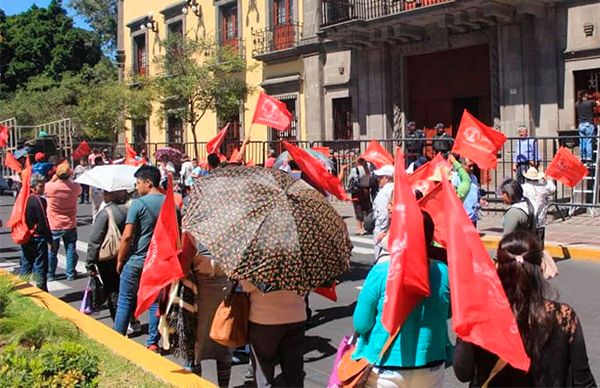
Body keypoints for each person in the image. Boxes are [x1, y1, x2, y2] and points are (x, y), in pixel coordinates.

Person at [453, 232, 596, 387]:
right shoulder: (563, 316)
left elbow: (463, 372)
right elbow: (583, 379)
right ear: (541, 266)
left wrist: (466, 323)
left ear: (498, 267)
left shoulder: (479, 314)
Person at [353, 211, 450, 387]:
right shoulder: (443, 272)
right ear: (430, 238)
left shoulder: (381, 272)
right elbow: (448, 311)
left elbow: (361, 323)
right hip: (431, 365)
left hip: (385, 367)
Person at [114, 165, 165, 352]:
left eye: (138, 183)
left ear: (148, 183)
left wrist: (120, 260)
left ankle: (117, 339)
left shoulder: (138, 204)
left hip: (137, 260)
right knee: (155, 303)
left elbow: (127, 236)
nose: (136, 187)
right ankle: (152, 342)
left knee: (125, 299)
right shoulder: (171, 205)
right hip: (158, 262)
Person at [240, 279, 306, 388]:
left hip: (264, 319)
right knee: (294, 368)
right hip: (296, 316)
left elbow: (247, 286)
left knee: (263, 367)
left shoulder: (259, 263)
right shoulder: (300, 262)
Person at [187, 241, 233, 387]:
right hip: (224, 295)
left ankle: (196, 384)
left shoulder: (193, 236)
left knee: (195, 349)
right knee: (224, 345)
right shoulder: (230, 237)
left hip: (200, 299)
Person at [85, 190, 128, 321]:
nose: (103, 195)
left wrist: (90, 262)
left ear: (113, 194)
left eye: (106, 193)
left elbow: (95, 240)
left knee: (113, 290)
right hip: (127, 254)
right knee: (127, 290)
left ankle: (119, 321)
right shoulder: (130, 210)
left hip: (109, 257)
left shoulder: (105, 213)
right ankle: (132, 319)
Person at [45, 163, 82, 281]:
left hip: (54, 223)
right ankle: (70, 273)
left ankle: (50, 274)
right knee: (70, 249)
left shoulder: (51, 187)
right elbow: (79, 191)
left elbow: (46, 186)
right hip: (70, 222)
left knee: (52, 251)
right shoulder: (75, 187)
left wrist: (54, 178)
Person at [20, 174, 54, 291]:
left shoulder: (25, 199)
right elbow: (44, 221)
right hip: (38, 237)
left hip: (26, 236)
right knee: (40, 265)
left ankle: (23, 288)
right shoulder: (39, 201)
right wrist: (50, 240)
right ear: (33, 187)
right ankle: (42, 289)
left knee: (26, 263)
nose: (43, 188)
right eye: (40, 186)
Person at [522, 167, 556, 247]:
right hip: (539, 220)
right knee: (539, 244)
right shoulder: (543, 188)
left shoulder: (523, 187)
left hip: (527, 219)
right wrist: (547, 179)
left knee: (526, 243)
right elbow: (552, 188)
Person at [340, 158, 372, 235]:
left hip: (358, 191)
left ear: (358, 162)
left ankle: (359, 228)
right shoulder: (367, 169)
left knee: (358, 208)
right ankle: (364, 227)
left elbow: (350, 179)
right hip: (366, 190)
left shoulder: (355, 169)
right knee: (365, 208)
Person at [372, 165, 394, 262]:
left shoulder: (384, 192)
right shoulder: (395, 188)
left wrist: (382, 231)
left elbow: (383, 213)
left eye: (380, 177)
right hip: (392, 228)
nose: (378, 179)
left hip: (382, 230)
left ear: (387, 178)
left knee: (381, 259)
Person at [452, 157, 482, 226]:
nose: (472, 168)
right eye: (469, 166)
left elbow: (475, 193)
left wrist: (479, 200)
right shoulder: (456, 177)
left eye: (472, 166)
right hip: (461, 218)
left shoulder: (474, 178)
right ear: (462, 165)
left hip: (473, 217)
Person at [576, 91, 599, 163]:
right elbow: (598, 103)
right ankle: (589, 157)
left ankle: (583, 157)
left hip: (581, 125)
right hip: (589, 124)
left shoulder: (577, 104)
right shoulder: (590, 102)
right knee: (589, 141)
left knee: (582, 141)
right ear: (585, 95)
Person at [91, 156, 106, 222]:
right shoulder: (96, 170)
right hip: (97, 190)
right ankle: (95, 220)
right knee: (97, 207)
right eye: (101, 161)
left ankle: (97, 220)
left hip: (100, 190)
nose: (102, 163)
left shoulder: (103, 169)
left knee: (100, 207)